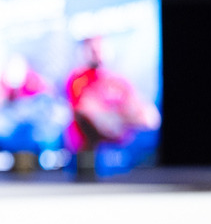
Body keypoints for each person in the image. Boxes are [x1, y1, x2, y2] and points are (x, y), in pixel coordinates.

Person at [65, 36, 161, 177]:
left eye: (100, 48)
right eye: (92, 49)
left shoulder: (118, 81)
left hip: (123, 156)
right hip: (89, 157)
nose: (97, 53)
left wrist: (118, 117)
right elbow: (90, 115)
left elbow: (149, 117)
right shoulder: (78, 79)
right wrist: (121, 116)